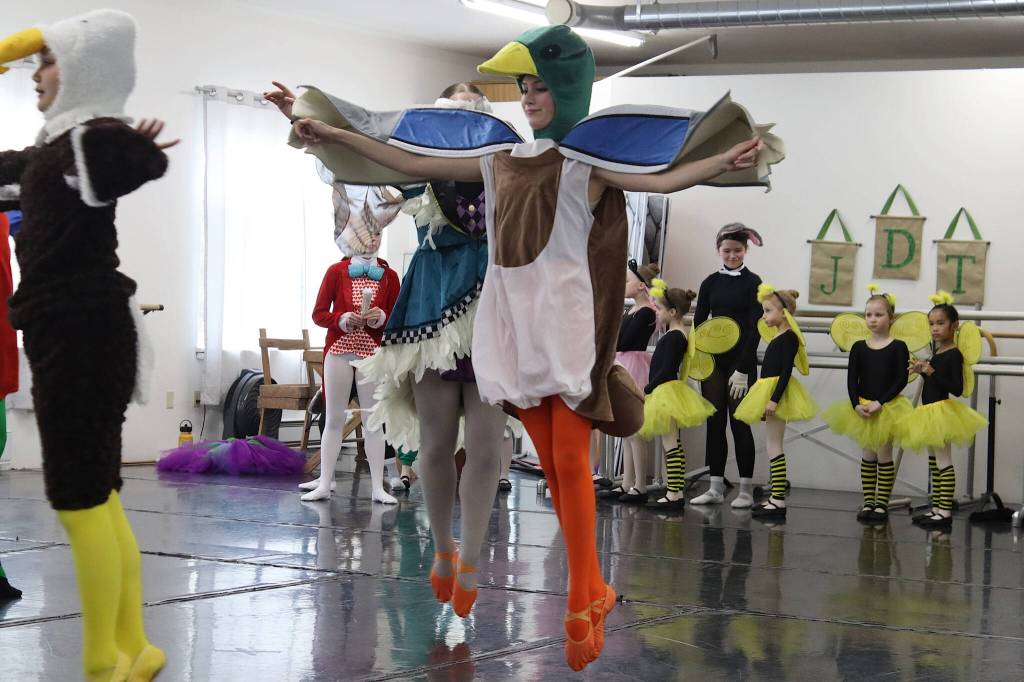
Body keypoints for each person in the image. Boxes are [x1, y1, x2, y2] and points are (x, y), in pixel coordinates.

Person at [287, 24, 772, 670]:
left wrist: (722, 162)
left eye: (540, 87)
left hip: (564, 334)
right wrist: (337, 134)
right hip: (511, 335)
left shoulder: (584, 165)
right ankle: (590, 586)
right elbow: (412, 161)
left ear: (565, 90)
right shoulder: (498, 161)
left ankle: (580, 596)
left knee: (569, 460)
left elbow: (662, 180)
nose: (530, 98)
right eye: (523, 88)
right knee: (551, 460)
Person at [0, 10, 174, 680]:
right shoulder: (48, 154)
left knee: (78, 500)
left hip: (80, 329)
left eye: (45, 63)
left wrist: (131, 146)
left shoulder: (88, 140)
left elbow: (125, 159)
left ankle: (103, 661)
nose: (34, 77)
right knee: (98, 496)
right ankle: (134, 647)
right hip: (73, 329)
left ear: (78, 70)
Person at [822, 285, 912, 523]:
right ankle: (869, 501)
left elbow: (901, 379)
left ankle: (882, 504)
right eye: (868, 315)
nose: (872, 319)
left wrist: (880, 402)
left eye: (878, 314)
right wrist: (855, 405)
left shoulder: (898, 347)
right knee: (867, 455)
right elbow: (852, 378)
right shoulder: (859, 347)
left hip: (887, 407)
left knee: (884, 453)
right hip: (862, 406)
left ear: (891, 317)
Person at [691, 224, 765, 509]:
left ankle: (746, 489)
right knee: (715, 423)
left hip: (740, 362)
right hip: (713, 363)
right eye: (726, 251)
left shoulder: (754, 282)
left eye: (737, 251)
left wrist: (744, 368)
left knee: (740, 424)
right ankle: (715, 486)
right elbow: (699, 323)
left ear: (745, 250)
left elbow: (755, 327)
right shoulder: (710, 282)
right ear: (718, 251)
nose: (732, 255)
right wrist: (700, 361)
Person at [902, 292, 987, 528]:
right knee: (934, 461)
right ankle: (937, 508)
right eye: (931, 324)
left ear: (954, 325)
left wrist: (931, 373)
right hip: (929, 411)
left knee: (943, 460)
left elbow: (956, 388)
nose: (935, 328)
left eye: (940, 323)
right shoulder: (937, 352)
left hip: (942, 412)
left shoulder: (953, 354)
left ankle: (945, 512)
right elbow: (934, 380)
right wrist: (922, 370)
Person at [734, 285, 818, 518]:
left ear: (784, 313)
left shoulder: (789, 338)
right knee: (772, 444)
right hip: (768, 391)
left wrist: (773, 400)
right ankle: (775, 497)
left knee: (774, 445)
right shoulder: (779, 336)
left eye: (768, 311)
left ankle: (778, 499)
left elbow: (784, 373)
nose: (764, 315)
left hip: (776, 393)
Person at [638, 280, 715, 511]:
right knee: (673, 443)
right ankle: (675, 490)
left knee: (671, 443)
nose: (658, 313)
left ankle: (674, 493)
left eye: (660, 309)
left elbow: (667, 368)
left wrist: (649, 388)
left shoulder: (675, 336)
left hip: (666, 391)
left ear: (672, 312)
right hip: (668, 390)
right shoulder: (677, 333)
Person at [605, 260, 659, 504]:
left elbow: (624, 340)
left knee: (636, 430)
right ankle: (627, 481)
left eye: (627, 280)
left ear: (640, 286)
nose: (623, 284)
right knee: (626, 431)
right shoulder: (631, 310)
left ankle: (640, 484)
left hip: (634, 367)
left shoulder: (647, 312)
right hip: (623, 363)